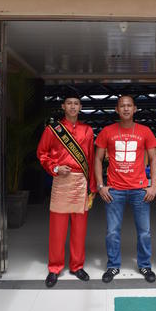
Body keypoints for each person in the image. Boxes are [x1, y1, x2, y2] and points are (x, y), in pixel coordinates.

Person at [95, 95, 156, 283]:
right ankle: (113, 266)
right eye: (122, 106)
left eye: (129, 105)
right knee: (112, 231)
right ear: (116, 109)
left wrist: (153, 185)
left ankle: (145, 265)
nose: (125, 108)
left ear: (135, 108)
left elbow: (154, 159)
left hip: (140, 189)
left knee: (144, 231)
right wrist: (100, 186)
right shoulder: (107, 132)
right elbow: (97, 159)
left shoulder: (145, 131)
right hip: (115, 189)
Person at [37, 91, 96, 288]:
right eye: (69, 103)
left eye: (76, 103)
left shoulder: (87, 130)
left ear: (80, 107)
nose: (72, 106)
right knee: (57, 229)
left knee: (80, 229)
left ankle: (77, 266)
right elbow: (42, 153)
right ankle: (54, 268)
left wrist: (92, 187)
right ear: (63, 106)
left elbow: (90, 158)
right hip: (61, 181)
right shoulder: (53, 130)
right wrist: (54, 167)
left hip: (81, 182)